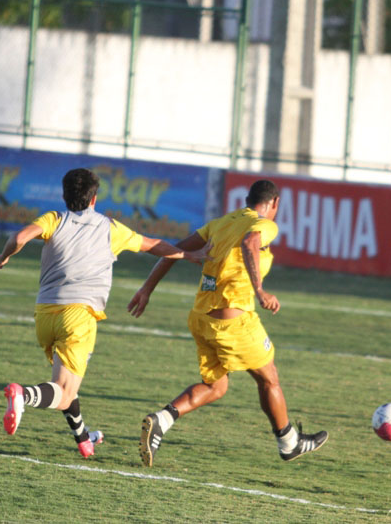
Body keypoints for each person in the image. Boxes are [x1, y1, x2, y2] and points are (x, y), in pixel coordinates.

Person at [0, 168, 210, 458]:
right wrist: (186, 254)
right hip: (78, 317)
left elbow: (19, 237)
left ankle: (84, 439)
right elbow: (151, 245)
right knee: (63, 389)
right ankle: (23, 395)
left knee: (69, 382)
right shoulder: (110, 228)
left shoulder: (53, 219)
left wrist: (3, 257)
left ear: (64, 195)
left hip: (45, 314)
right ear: (94, 199)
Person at [127, 179, 328, 467]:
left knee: (216, 386)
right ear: (275, 203)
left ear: (247, 199)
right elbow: (250, 242)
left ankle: (161, 420)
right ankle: (289, 443)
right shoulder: (265, 224)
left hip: (201, 318)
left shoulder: (220, 223)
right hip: (233, 321)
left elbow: (174, 250)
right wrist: (259, 290)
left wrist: (146, 288)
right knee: (269, 376)